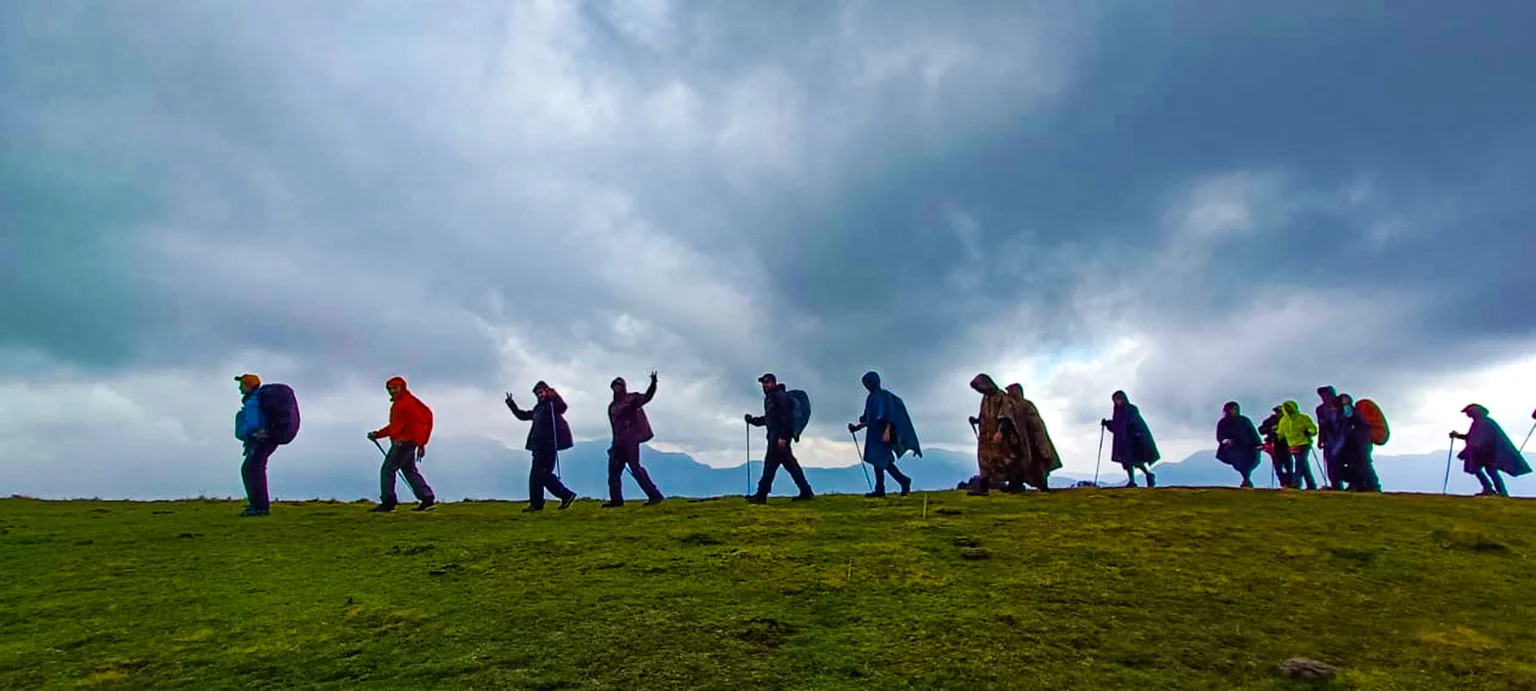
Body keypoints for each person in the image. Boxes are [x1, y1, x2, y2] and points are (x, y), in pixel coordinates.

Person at [366, 376, 437, 512]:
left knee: (388, 470)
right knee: (409, 470)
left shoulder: (405, 404)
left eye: (395, 388)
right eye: (390, 389)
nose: (392, 391)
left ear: (402, 387)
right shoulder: (404, 403)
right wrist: (378, 434)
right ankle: (427, 499)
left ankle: (388, 503)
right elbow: (397, 426)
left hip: (403, 443)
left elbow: (414, 425)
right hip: (408, 442)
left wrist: (421, 444)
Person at [506, 381, 578, 512]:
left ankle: (560, 496)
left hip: (547, 446)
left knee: (540, 475)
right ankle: (553, 499)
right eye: (537, 393)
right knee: (539, 475)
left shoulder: (552, 405)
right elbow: (523, 416)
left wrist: (554, 395)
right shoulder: (539, 409)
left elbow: (563, 407)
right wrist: (512, 405)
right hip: (539, 446)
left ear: (547, 391)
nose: (539, 395)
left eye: (541, 392)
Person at [847, 371, 918, 498]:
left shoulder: (883, 397)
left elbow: (888, 416)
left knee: (884, 462)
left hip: (883, 436)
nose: (866, 386)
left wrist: (887, 432)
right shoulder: (871, 398)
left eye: (867, 383)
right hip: (874, 435)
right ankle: (880, 489)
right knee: (877, 462)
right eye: (865, 383)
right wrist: (856, 427)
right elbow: (869, 419)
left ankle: (902, 481)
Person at [745, 373, 814, 503]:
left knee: (770, 466)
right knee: (790, 466)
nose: (764, 385)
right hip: (777, 437)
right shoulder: (774, 397)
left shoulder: (779, 396)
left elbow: (787, 417)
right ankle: (806, 491)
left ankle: (761, 496)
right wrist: (753, 421)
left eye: (767, 382)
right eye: (763, 383)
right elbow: (770, 419)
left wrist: (783, 436)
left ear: (774, 383)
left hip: (778, 438)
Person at [605, 371, 665, 508]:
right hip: (618, 443)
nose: (617, 388)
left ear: (624, 387)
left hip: (631, 442)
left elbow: (648, 397)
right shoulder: (612, 406)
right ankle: (616, 500)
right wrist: (613, 444)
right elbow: (614, 427)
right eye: (615, 386)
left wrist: (653, 383)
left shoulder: (633, 399)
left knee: (636, 469)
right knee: (613, 473)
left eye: (619, 385)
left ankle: (655, 495)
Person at [1451, 404, 1531, 497]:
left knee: (1487, 470)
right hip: (1483, 452)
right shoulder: (1480, 422)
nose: (1468, 414)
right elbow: (1471, 437)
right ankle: (1493, 490)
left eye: (1469, 412)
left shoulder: (1485, 423)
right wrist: (1458, 436)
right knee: (1483, 470)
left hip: (1487, 453)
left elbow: (1478, 439)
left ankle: (1496, 490)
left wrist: (1466, 451)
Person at [967, 374, 1029, 495]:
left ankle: (1015, 484)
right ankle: (983, 487)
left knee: (1006, 460)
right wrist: (976, 420)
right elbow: (984, 415)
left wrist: (1000, 432)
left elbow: (1006, 416)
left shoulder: (1002, 397)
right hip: (986, 437)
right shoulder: (985, 398)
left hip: (1000, 437)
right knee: (984, 461)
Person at [1006, 383, 1062, 491]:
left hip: (1031, 441)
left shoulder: (1026, 405)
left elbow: (1036, 424)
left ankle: (1042, 485)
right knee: (1016, 463)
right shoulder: (1010, 407)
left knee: (1036, 464)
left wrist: (1038, 440)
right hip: (1016, 441)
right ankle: (1014, 484)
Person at [234, 374, 275, 517]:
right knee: (253, 469)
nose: (239, 388)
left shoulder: (252, 402)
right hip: (266, 439)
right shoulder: (258, 399)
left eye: (242, 385)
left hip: (258, 440)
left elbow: (252, 425)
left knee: (251, 470)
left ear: (248, 385)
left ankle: (259, 507)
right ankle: (258, 505)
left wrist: (246, 433)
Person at [1101, 390, 1160, 488]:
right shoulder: (1117, 412)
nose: (1117, 402)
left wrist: (1137, 432)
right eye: (1115, 400)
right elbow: (1117, 426)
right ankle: (1132, 481)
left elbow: (1136, 422)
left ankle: (1148, 475)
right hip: (1123, 442)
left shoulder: (1132, 409)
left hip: (1132, 440)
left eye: (1118, 399)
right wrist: (1107, 423)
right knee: (1126, 462)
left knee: (1135, 461)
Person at [1336, 393, 1381, 492]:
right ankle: (1358, 485)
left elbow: (1355, 422)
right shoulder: (1342, 413)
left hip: (1360, 441)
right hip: (1352, 442)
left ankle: (1372, 485)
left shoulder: (1354, 412)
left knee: (1364, 463)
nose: (1344, 401)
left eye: (1345, 399)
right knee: (1354, 464)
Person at [1215, 401, 1263, 488]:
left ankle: (1246, 480)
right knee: (1239, 463)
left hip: (1248, 447)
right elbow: (1220, 436)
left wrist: (1258, 444)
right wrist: (1225, 441)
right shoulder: (1222, 423)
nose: (1234, 411)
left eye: (1235, 409)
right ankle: (1246, 480)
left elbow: (1253, 432)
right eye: (1232, 409)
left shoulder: (1244, 420)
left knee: (1250, 462)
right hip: (1233, 448)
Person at [1276, 400, 1320, 490]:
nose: (1288, 409)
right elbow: (1281, 433)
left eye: (1289, 407)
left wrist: (1309, 432)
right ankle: (1311, 484)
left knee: (1300, 462)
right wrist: (1275, 434)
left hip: (1304, 443)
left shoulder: (1303, 418)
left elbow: (1313, 428)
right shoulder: (1283, 421)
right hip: (1292, 445)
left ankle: (1296, 483)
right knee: (1303, 463)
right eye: (1286, 407)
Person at [1258, 405, 1293, 488]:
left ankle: (1290, 482)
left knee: (1288, 465)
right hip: (1275, 445)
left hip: (1286, 445)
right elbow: (1261, 430)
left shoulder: (1288, 420)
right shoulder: (1271, 420)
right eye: (1277, 411)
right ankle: (1284, 482)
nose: (1278, 413)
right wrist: (1270, 429)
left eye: (1280, 411)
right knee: (1278, 465)